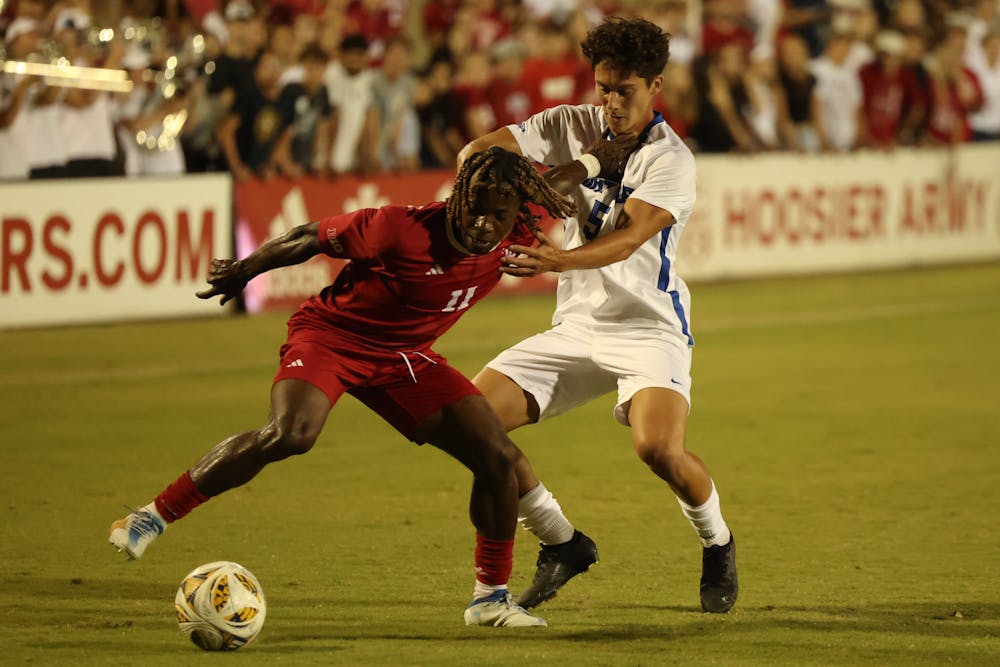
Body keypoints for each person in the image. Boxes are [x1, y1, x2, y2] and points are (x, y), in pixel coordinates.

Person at [108, 144, 634, 627]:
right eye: (474, 208)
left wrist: (598, 157)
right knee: (292, 434)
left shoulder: (518, 222)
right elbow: (307, 236)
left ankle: (489, 599)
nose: (482, 224)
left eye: (497, 215)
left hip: (406, 360)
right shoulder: (397, 227)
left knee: (496, 455)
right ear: (458, 196)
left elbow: (558, 181)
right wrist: (245, 270)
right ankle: (151, 517)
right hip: (333, 338)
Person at [457, 16, 738, 614]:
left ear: (656, 84)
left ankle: (717, 540)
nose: (610, 102)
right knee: (471, 422)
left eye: (624, 90)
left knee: (657, 450)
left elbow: (627, 239)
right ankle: (561, 540)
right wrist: (550, 171)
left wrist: (558, 256)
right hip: (578, 324)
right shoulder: (570, 123)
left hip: (648, 325)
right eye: (603, 87)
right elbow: (476, 154)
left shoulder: (672, 160)